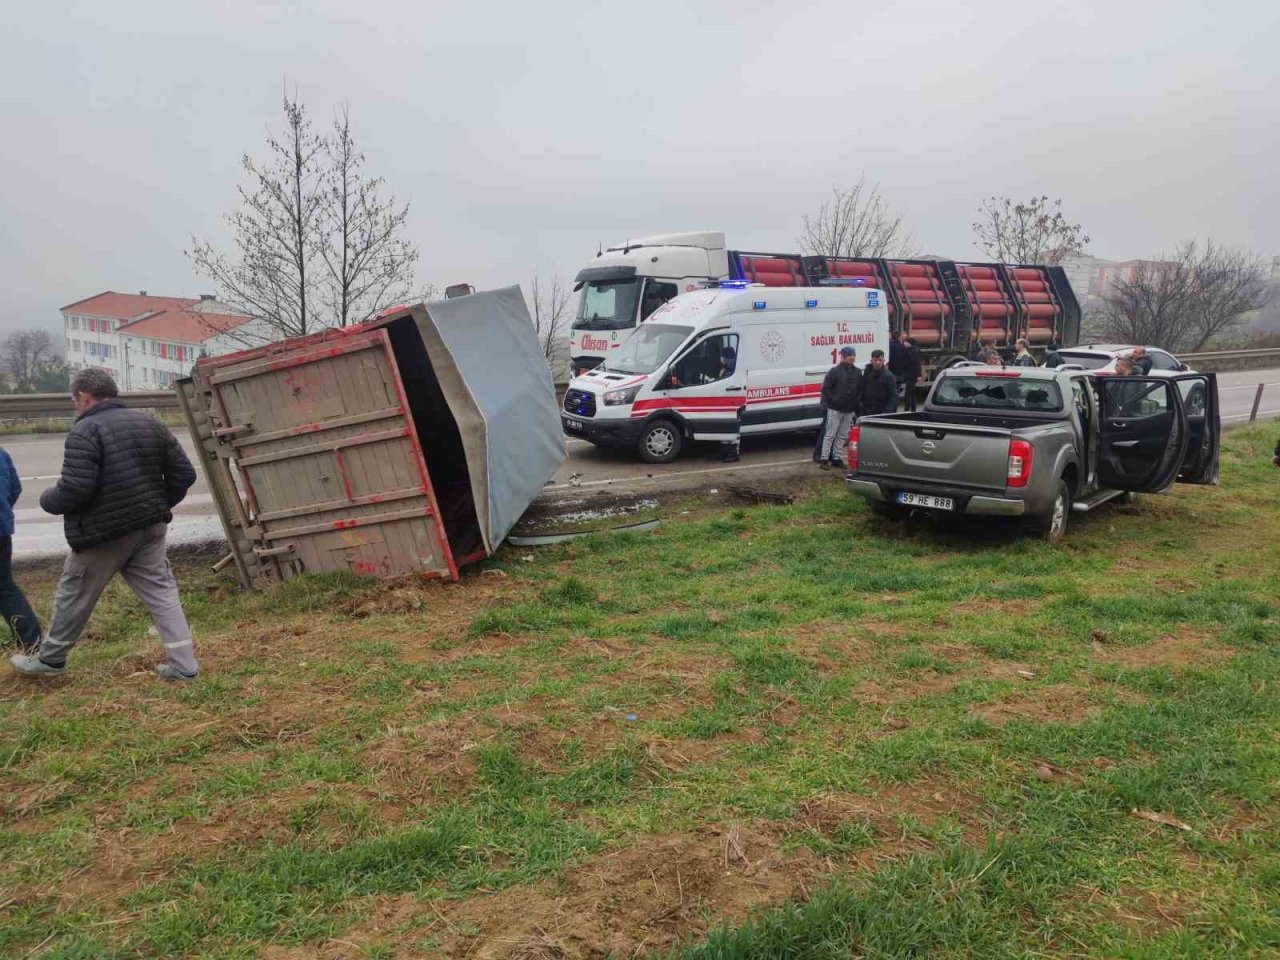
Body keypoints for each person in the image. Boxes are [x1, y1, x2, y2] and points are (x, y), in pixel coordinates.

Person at [10, 368, 201, 681]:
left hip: (104, 532)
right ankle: (184, 666)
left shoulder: (86, 431)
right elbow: (185, 475)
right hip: (150, 526)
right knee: (161, 592)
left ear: (84, 397)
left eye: (75, 401)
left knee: (75, 590)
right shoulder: (151, 423)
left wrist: (47, 500)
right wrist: (157, 503)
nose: (75, 406)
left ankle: (51, 659)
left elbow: (76, 488)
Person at [0, 446, 41, 653]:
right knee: (5, 588)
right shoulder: (1, 453)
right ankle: (32, 643)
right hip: (1, 530)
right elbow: (14, 488)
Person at [818, 346, 863, 469]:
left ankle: (836, 457)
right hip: (835, 409)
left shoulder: (857, 372)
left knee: (842, 435)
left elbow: (859, 390)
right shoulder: (834, 371)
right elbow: (825, 389)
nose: (852, 357)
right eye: (849, 355)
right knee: (830, 434)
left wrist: (855, 402)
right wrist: (833, 401)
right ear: (843, 356)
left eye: (853, 355)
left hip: (849, 409)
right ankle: (824, 459)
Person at [859, 349, 899, 418]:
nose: (877, 362)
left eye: (880, 360)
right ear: (871, 361)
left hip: (882, 414)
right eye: (875, 360)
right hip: (866, 413)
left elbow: (893, 397)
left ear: (883, 361)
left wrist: (887, 413)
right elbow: (861, 390)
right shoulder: (867, 373)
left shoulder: (889, 376)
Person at [903, 336, 923, 412]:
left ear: (909, 343)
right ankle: (913, 408)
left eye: (906, 342)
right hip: (911, 373)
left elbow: (917, 364)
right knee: (912, 392)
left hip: (912, 374)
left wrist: (919, 375)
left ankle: (907, 409)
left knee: (908, 393)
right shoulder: (912, 349)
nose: (904, 343)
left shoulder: (914, 351)